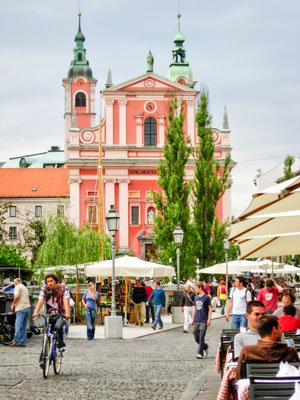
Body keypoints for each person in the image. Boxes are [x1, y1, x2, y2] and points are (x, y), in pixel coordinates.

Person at [236, 314, 299, 380]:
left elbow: (239, 378)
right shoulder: (290, 352)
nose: (281, 332)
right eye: (280, 328)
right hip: (285, 389)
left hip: (256, 389)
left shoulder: (247, 351)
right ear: (274, 330)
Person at [32, 273, 70, 366]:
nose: (49, 283)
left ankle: (61, 345)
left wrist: (67, 313)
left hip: (60, 314)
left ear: (55, 281)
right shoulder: (45, 289)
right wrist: (35, 312)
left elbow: (66, 301)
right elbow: (41, 300)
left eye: (51, 281)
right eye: (47, 281)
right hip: (49, 315)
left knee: (58, 327)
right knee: (45, 337)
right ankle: (42, 361)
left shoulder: (63, 288)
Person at [192, 282, 212, 359]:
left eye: (196, 288)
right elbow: (194, 308)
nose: (195, 290)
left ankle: (200, 353)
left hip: (204, 319)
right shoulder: (196, 297)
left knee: (201, 336)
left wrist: (209, 319)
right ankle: (205, 346)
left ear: (200, 288)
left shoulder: (206, 298)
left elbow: (210, 308)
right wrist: (193, 318)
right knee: (195, 334)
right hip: (197, 319)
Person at [9, 278, 31, 347]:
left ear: (15, 283)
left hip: (20, 308)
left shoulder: (17, 287)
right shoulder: (24, 287)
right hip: (27, 307)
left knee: (18, 325)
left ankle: (16, 341)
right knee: (24, 326)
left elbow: (16, 296)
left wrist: (13, 304)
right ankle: (23, 342)